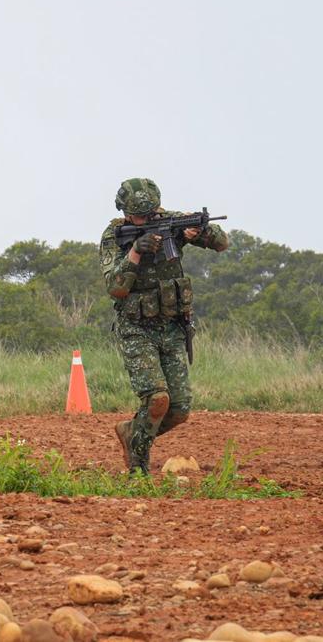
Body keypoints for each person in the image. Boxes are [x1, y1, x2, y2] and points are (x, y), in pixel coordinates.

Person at [99, 178, 229, 475]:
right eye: (138, 216)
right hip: (136, 328)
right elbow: (116, 288)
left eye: (150, 214)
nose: (146, 220)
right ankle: (138, 468)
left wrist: (200, 232)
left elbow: (222, 243)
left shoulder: (173, 221)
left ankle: (133, 433)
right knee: (157, 399)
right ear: (125, 212)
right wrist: (135, 251)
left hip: (171, 326)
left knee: (179, 409)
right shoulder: (114, 235)